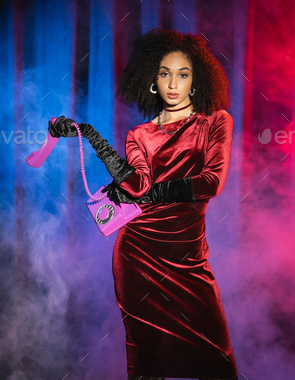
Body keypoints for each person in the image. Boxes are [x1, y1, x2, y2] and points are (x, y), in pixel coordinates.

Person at [49, 28, 238, 380]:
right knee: (146, 361)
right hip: (138, 254)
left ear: (196, 81)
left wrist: (152, 194)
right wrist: (90, 135)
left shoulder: (215, 122)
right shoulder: (139, 134)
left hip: (188, 257)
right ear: (152, 78)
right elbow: (138, 184)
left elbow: (211, 181)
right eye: (164, 73)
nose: (173, 83)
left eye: (183, 75)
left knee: (219, 363)